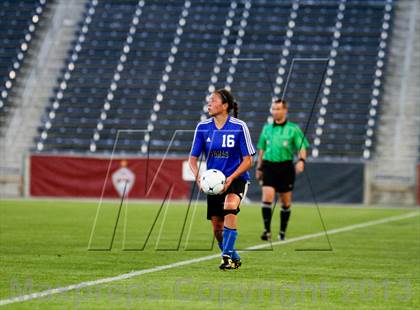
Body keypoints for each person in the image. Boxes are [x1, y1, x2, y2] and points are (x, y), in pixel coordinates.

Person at [188, 88, 255, 270]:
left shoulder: (239, 126)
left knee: (230, 206)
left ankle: (226, 257)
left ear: (225, 106)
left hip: (237, 178)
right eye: (209, 100)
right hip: (214, 184)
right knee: (218, 229)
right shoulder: (203, 128)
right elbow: (192, 159)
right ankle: (234, 256)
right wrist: (198, 178)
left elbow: (248, 160)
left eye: (213, 100)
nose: (209, 103)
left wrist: (231, 178)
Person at [255, 99, 308, 241]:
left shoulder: (293, 128)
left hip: (285, 167)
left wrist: (301, 161)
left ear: (285, 110)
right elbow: (261, 149)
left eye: (278, 109)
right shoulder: (266, 128)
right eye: (273, 109)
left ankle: (282, 232)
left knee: (285, 202)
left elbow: (302, 147)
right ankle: (267, 231)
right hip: (269, 166)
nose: (275, 111)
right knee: (267, 197)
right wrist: (259, 167)